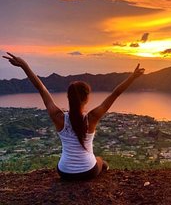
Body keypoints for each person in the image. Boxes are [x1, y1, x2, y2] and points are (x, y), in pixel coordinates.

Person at [2, 52, 145, 180]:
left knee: (93, 160)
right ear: (86, 98)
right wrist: (132, 77)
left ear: (68, 97)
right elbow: (115, 94)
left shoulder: (58, 117)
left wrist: (24, 66)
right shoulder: (92, 118)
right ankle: (105, 168)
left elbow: (41, 88)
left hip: (64, 171)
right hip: (88, 171)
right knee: (100, 161)